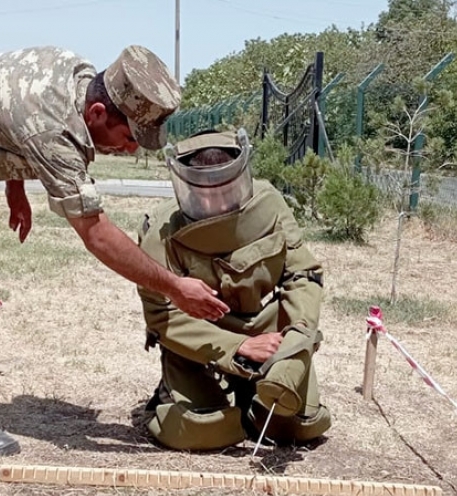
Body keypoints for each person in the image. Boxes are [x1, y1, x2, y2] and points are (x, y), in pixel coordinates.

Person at [0, 45, 230, 457]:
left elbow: (5, 120)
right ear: (98, 113)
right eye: (128, 137)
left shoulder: (74, 78)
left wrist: (16, 185)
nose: (131, 150)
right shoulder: (53, 128)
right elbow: (97, 233)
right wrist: (174, 287)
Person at [136, 129, 332, 451]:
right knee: (201, 430)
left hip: (267, 332)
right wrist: (239, 347)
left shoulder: (269, 204)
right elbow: (161, 316)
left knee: (299, 427)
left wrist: (297, 336)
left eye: (225, 189)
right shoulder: (161, 229)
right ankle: (194, 393)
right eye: (203, 192)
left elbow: (303, 276)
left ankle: (255, 398)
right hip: (198, 339)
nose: (215, 202)